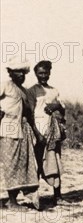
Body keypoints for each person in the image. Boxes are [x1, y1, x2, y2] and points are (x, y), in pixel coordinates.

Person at [0, 56, 41, 209]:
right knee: (10, 165)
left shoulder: (23, 91)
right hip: (6, 130)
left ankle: (14, 198)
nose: (21, 76)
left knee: (19, 165)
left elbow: (28, 114)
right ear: (10, 73)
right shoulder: (5, 85)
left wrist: (37, 133)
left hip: (21, 132)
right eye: (17, 72)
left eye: (23, 73)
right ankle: (11, 201)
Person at [28, 60, 65, 205]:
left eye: (46, 73)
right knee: (37, 161)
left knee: (54, 160)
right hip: (38, 129)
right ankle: (34, 195)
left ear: (49, 73)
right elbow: (30, 113)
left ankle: (57, 196)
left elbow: (62, 109)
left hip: (52, 130)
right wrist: (36, 133)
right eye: (40, 73)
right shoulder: (32, 91)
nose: (43, 75)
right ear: (36, 74)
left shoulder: (54, 90)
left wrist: (56, 106)